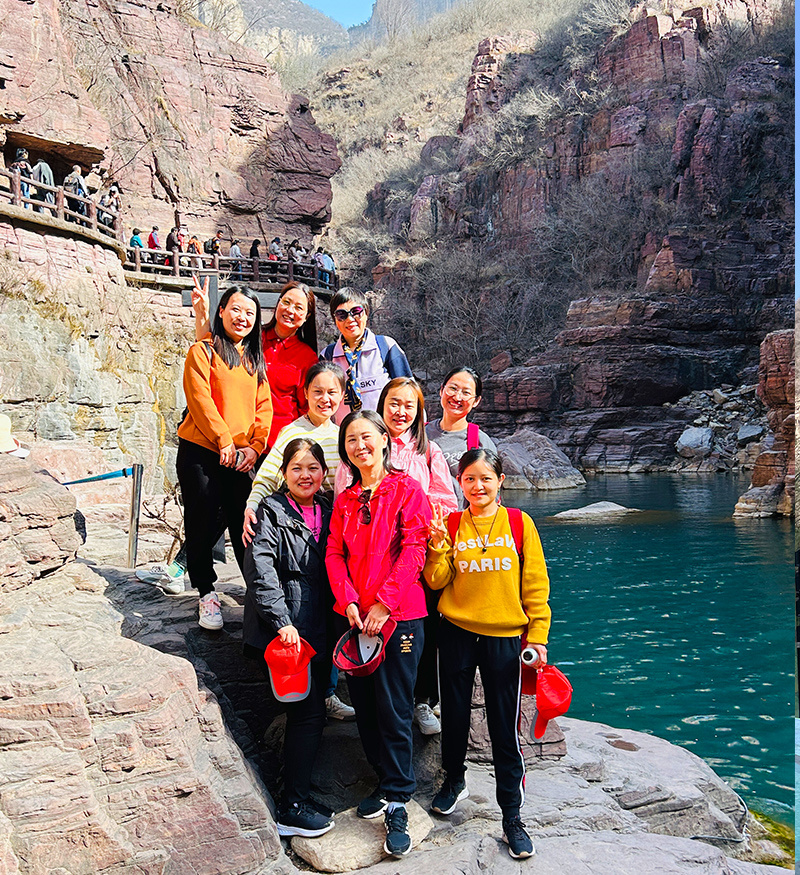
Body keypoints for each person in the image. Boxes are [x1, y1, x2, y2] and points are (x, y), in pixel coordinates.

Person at [424, 448, 551, 860]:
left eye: (486, 478)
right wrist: (438, 546)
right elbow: (436, 580)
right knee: (454, 715)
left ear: (500, 482)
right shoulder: (451, 523)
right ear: (460, 483)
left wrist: (538, 636)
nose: (478, 486)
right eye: (469, 479)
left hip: (505, 637)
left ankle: (512, 816)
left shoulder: (519, 522)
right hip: (456, 632)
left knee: (503, 726)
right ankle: (454, 780)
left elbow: (535, 583)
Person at [326, 410, 431, 858]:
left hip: (399, 616)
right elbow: (334, 553)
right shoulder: (346, 500)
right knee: (366, 708)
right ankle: (384, 782)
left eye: (366, 436)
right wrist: (349, 600)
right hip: (355, 618)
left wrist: (384, 603)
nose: (359, 445)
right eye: (351, 439)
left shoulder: (407, 489)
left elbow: (415, 548)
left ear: (384, 440)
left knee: (393, 706)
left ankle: (399, 798)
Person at [243, 437, 336, 838]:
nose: (305, 475)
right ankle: (291, 807)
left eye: (312, 467)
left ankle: (298, 797)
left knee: (312, 713)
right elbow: (261, 568)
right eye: (296, 468)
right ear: (283, 473)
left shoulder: (329, 509)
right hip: (290, 629)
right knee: (305, 714)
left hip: (321, 622)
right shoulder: (270, 510)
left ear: (323, 472)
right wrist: (282, 621)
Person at [176, 286, 272, 630]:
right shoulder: (203, 351)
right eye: (236, 309)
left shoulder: (253, 360)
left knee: (245, 524)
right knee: (201, 522)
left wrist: (255, 447)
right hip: (202, 451)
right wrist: (224, 440)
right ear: (221, 311)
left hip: (241, 456)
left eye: (249, 313)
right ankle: (206, 592)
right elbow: (200, 399)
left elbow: (264, 408)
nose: (242, 318)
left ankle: (258, 593)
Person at [372, 377, 458, 736]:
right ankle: (382, 701)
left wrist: (412, 512)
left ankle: (423, 700)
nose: (401, 411)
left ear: (420, 411)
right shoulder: (370, 442)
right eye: (394, 403)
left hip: (419, 555)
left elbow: (447, 501)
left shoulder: (429, 451)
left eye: (409, 405)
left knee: (425, 632)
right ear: (382, 405)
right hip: (376, 555)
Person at [193, 280, 319, 450]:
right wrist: (202, 315)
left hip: (279, 445)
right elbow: (214, 352)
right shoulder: (250, 336)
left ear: (306, 317)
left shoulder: (307, 357)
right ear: (277, 303)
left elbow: (307, 409)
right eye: (286, 302)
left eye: (298, 308)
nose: (290, 310)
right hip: (237, 438)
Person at [244, 362, 346, 536]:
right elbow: (267, 479)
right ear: (306, 393)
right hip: (301, 526)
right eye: (318, 391)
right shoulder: (291, 433)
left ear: (342, 394)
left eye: (332, 392)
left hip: (338, 524)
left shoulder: (343, 436)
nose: (325, 399)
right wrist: (251, 507)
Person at [321, 289, 413, 424]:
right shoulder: (327, 356)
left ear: (366, 314)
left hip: (383, 431)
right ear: (335, 320)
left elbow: (410, 392)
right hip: (343, 433)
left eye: (356, 312)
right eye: (341, 315)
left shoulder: (386, 347)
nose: (350, 319)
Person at [426, 367, 497, 508]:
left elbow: (490, 496)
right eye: (453, 388)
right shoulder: (419, 434)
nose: (457, 397)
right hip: (420, 519)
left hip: (462, 519)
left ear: (476, 401)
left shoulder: (480, 442)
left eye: (466, 393)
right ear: (442, 390)